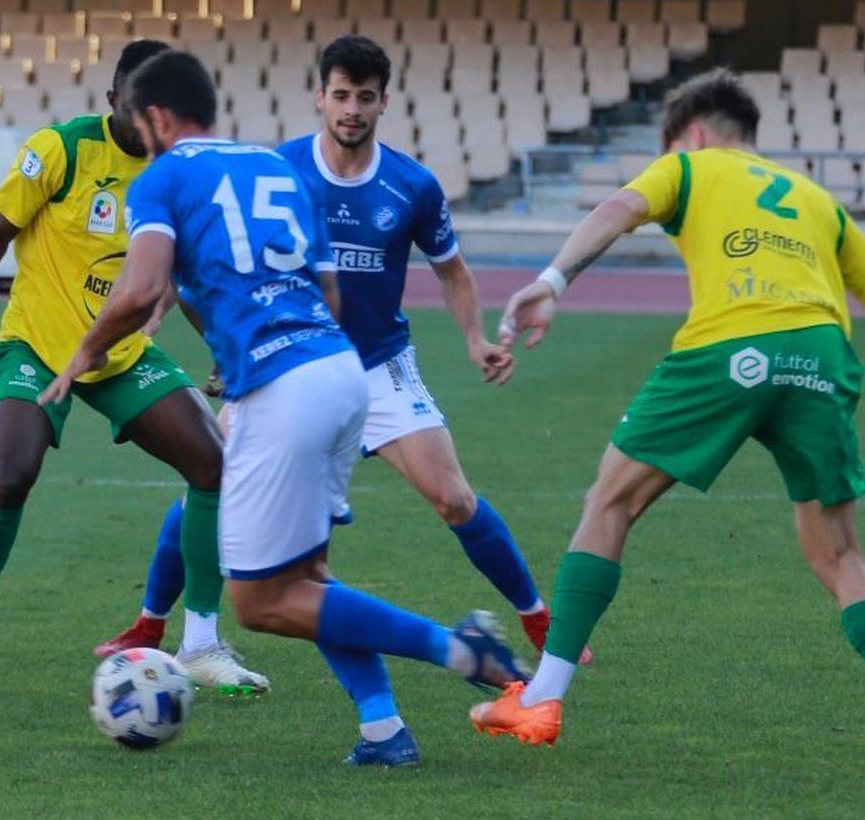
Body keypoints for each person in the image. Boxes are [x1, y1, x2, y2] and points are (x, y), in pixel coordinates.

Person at [470, 69, 865, 784]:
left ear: (690, 134)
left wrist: (554, 280)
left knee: (611, 501)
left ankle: (541, 698)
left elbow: (621, 206)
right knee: (841, 556)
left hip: (730, 349)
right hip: (821, 357)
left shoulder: (689, 166)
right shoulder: (819, 204)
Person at [42, 50, 530, 768]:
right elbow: (327, 291)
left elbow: (142, 292)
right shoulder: (274, 170)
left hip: (284, 391)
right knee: (309, 583)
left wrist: (84, 353)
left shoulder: (165, 176)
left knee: (260, 602)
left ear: (154, 118)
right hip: (339, 372)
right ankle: (383, 731)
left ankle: (463, 650)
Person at [95, 35, 590, 664]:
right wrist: (182, 318)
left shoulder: (413, 185)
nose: (351, 109)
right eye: (340, 95)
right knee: (210, 479)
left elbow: (453, 270)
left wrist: (472, 339)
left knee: (453, 496)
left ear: (384, 101)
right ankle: (151, 622)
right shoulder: (279, 168)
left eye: (364, 97)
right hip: (284, 365)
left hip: (380, 363)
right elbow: (210, 257)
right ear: (319, 98)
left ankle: (537, 619)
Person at [0, 40, 268, 699]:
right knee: (11, 477)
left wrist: (225, 351)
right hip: (39, 345)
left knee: (214, 463)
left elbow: (190, 277)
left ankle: (202, 643)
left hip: (119, 353)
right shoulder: (60, 151)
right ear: (111, 99)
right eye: (135, 104)